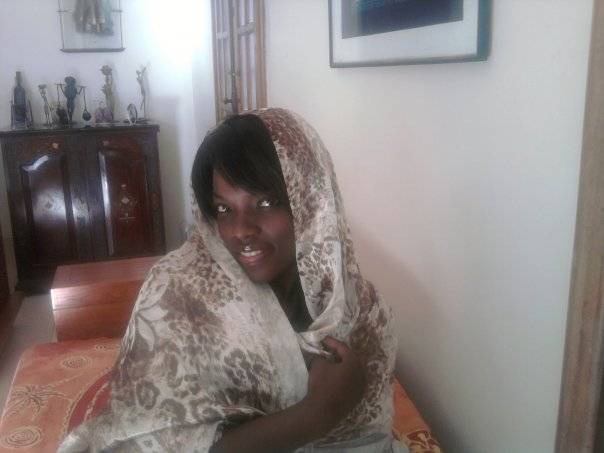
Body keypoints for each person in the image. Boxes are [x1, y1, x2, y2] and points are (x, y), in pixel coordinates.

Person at [59, 108, 400, 452]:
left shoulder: (363, 309)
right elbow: (158, 441)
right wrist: (316, 413)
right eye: (223, 209)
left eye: (265, 202)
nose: (240, 231)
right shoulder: (180, 296)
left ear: (312, 204)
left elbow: (369, 436)